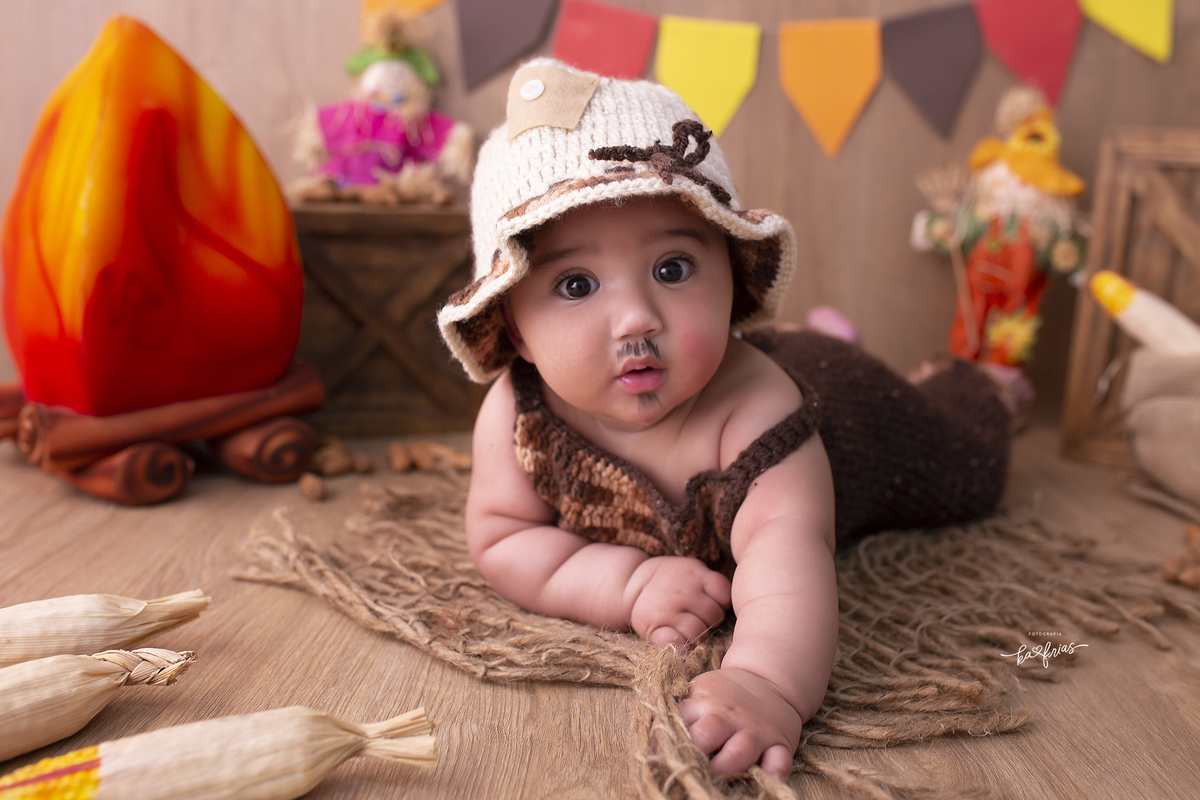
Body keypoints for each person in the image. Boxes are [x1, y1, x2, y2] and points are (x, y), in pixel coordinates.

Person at [438, 59, 1011, 779]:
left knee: (966, 461)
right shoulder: (518, 413)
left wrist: (767, 682)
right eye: (575, 284)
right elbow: (501, 538)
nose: (636, 319)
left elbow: (787, 548)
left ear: (733, 277)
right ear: (514, 328)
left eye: (673, 269)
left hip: (862, 412)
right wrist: (626, 584)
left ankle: (970, 383)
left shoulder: (759, 411)